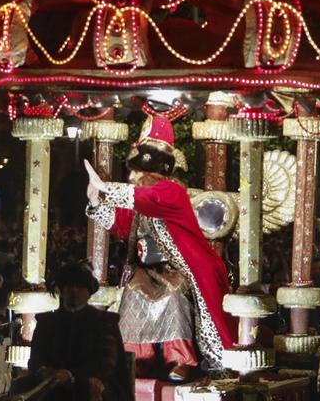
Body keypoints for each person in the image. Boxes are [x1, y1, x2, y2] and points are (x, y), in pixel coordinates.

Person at [84, 112, 233, 379]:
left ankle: (182, 360)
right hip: (146, 269)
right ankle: (137, 358)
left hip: (181, 269)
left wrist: (106, 187)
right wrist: (97, 201)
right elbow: (120, 225)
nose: (134, 174)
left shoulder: (171, 192)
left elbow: (147, 198)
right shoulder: (138, 198)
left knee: (174, 294)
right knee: (132, 292)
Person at [19, 262, 128, 401]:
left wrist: (71, 375)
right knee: (22, 388)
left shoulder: (102, 322)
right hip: (51, 381)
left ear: (88, 292)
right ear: (62, 290)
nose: (74, 292)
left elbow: (106, 363)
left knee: (90, 388)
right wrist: (43, 371)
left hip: (89, 383)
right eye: (69, 286)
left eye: (80, 287)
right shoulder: (47, 321)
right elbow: (36, 356)